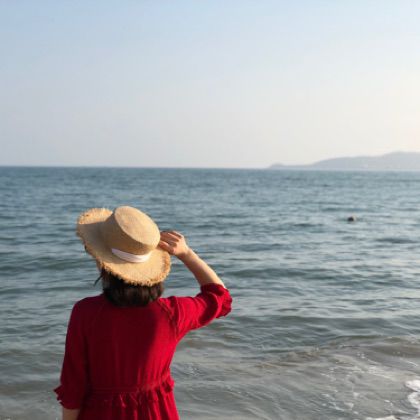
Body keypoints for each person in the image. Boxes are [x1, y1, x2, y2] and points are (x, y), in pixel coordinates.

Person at [54, 206, 232, 420]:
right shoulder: (173, 313)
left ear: (102, 262)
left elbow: (73, 387)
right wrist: (187, 254)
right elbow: (220, 298)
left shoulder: (85, 312)